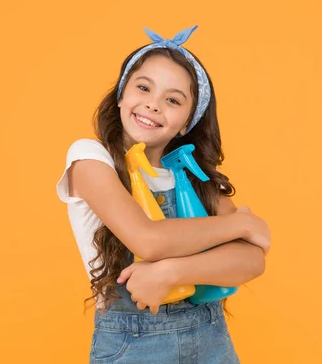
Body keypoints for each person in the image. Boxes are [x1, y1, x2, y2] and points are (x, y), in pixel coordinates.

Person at [56, 26, 271, 363]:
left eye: (173, 100)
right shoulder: (90, 159)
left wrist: (170, 274)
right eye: (143, 88)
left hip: (211, 339)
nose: (153, 105)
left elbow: (252, 261)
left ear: (188, 121)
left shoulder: (188, 173)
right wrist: (242, 226)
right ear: (121, 96)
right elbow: (148, 240)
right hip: (134, 344)